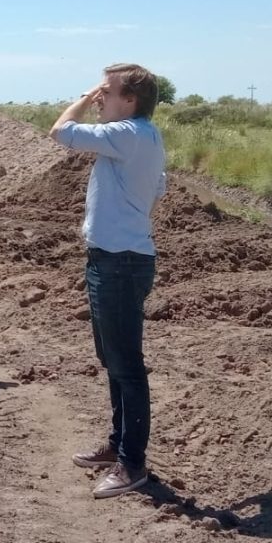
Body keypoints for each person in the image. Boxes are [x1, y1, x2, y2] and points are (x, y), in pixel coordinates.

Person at [48, 63, 166, 499]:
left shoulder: (129, 133)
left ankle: (132, 465)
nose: (99, 98)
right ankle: (117, 446)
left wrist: (82, 94)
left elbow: (60, 130)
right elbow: (159, 189)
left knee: (127, 366)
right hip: (117, 258)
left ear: (130, 100)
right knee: (114, 359)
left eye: (107, 91)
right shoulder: (143, 137)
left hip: (120, 263)